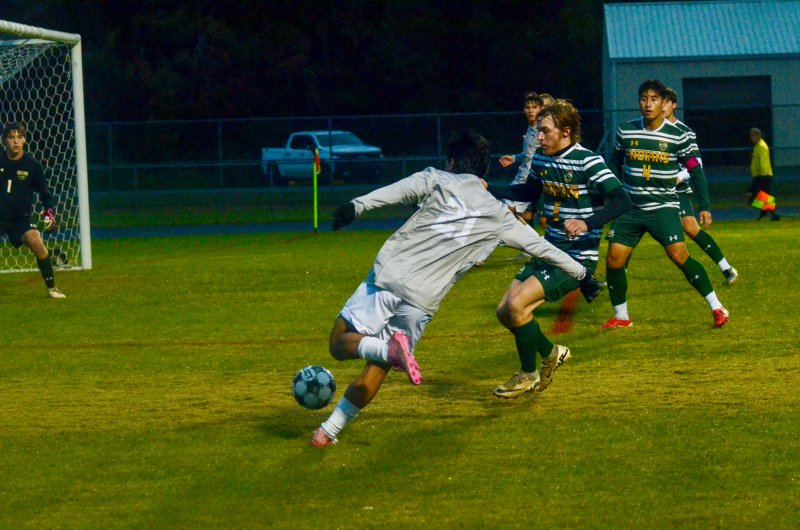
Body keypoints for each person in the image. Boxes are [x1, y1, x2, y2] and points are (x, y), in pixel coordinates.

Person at [311, 130, 602, 447]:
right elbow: (542, 247)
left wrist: (356, 206)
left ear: (452, 162)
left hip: (390, 280)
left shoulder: (436, 178)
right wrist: (583, 275)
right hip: (423, 302)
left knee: (339, 343)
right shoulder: (499, 214)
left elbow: (398, 192)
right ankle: (329, 431)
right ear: (483, 171)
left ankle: (386, 352)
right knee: (377, 368)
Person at [490, 100, 632, 398]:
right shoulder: (542, 160)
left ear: (566, 132)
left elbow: (621, 200)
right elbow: (528, 192)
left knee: (517, 307)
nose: (538, 137)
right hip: (547, 250)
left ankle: (528, 374)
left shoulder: (588, 161)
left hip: (576, 259)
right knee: (505, 311)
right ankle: (551, 352)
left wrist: (588, 222)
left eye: (544, 131)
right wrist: (488, 188)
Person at [603, 79, 728, 329]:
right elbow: (614, 162)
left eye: (654, 99)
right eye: (643, 99)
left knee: (679, 255)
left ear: (664, 103)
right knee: (614, 258)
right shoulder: (625, 130)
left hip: (663, 207)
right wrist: (614, 191)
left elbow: (696, 169)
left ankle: (717, 307)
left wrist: (704, 205)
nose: (648, 104)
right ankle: (622, 317)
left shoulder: (678, 136)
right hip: (631, 208)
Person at [663, 88, 738, 285]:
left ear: (674, 105)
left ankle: (726, 267)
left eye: (665, 102)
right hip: (653, 192)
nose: (660, 106)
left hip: (678, 191)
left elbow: (697, 165)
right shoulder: (651, 131)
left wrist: (678, 177)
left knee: (690, 228)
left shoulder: (684, 132)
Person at [0, 122, 64, 298]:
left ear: (24, 140)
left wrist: (49, 214)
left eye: (19, 137)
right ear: (4, 140)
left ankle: (52, 288)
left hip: (20, 219)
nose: (15, 141)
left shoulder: (33, 165)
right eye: (11, 137)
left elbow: (45, 194)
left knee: (36, 240)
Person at [498, 92, 555, 225]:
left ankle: (537, 241)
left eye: (534, 107)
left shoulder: (544, 129)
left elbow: (549, 152)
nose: (530, 111)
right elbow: (528, 154)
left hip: (531, 179)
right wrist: (513, 158)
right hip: (523, 177)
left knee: (508, 213)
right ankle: (535, 241)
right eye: (528, 108)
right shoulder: (531, 127)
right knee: (513, 215)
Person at [748, 127, 780, 221]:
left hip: (762, 175)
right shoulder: (758, 146)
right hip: (759, 175)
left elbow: (764, 162)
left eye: (753, 136)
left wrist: (763, 175)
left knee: (755, 195)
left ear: (758, 135)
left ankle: (770, 213)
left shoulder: (761, 146)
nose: (751, 138)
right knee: (762, 196)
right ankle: (767, 212)